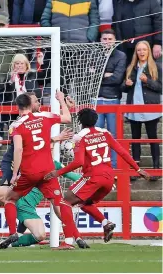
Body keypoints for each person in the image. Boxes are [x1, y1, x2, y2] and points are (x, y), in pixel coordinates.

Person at [44, 108, 151, 243]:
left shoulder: (80, 136)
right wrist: (138, 169)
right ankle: (105, 222)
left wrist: (57, 172)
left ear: (80, 122)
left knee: (64, 202)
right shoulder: (105, 133)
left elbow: (78, 162)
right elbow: (122, 151)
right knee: (85, 203)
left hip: (93, 177)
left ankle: (68, 241)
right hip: (109, 178)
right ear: (96, 120)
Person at [0, 91, 81, 250]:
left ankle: (12, 233)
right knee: (59, 203)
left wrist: (15, 174)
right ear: (30, 105)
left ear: (18, 107)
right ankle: (71, 239)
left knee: (9, 199)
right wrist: (61, 101)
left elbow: (18, 150)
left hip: (29, 172)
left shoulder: (16, 125)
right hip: (48, 171)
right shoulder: (44, 116)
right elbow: (67, 119)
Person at [122, 41, 161, 179]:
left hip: (150, 108)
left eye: (144, 49)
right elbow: (123, 88)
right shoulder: (131, 67)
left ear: (149, 51)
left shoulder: (157, 67)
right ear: (136, 52)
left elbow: (160, 88)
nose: (141, 52)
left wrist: (147, 81)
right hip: (134, 108)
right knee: (135, 139)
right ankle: (136, 169)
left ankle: (156, 168)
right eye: (139, 50)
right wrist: (126, 85)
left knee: (153, 138)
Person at [95, 29, 127, 169]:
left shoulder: (121, 55)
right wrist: (106, 75)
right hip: (95, 98)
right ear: (100, 40)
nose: (107, 41)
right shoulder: (93, 54)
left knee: (113, 135)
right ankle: (99, 166)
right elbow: (90, 77)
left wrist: (100, 76)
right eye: (104, 39)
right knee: (96, 135)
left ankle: (113, 167)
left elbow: (117, 78)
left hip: (113, 98)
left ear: (115, 40)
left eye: (110, 39)